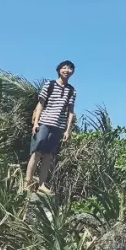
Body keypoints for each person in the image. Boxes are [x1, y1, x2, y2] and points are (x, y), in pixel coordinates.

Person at [26, 60, 77, 192]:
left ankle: (42, 184)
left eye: (70, 68)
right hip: (44, 122)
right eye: (64, 68)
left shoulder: (71, 90)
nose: (67, 70)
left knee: (48, 155)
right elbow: (40, 104)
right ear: (59, 69)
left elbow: (70, 111)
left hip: (58, 126)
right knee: (36, 152)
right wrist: (36, 122)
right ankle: (28, 182)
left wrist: (67, 129)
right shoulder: (49, 84)